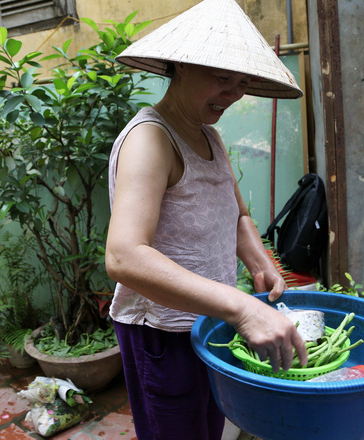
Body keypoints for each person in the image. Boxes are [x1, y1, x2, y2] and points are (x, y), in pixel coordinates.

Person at [105, 1, 306, 439]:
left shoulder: (208, 135)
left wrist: (257, 261)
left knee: (210, 426)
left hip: (208, 321)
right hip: (163, 333)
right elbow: (124, 256)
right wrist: (242, 307)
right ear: (179, 66)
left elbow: (237, 215)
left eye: (242, 82)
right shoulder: (150, 139)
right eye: (221, 78)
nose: (233, 92)